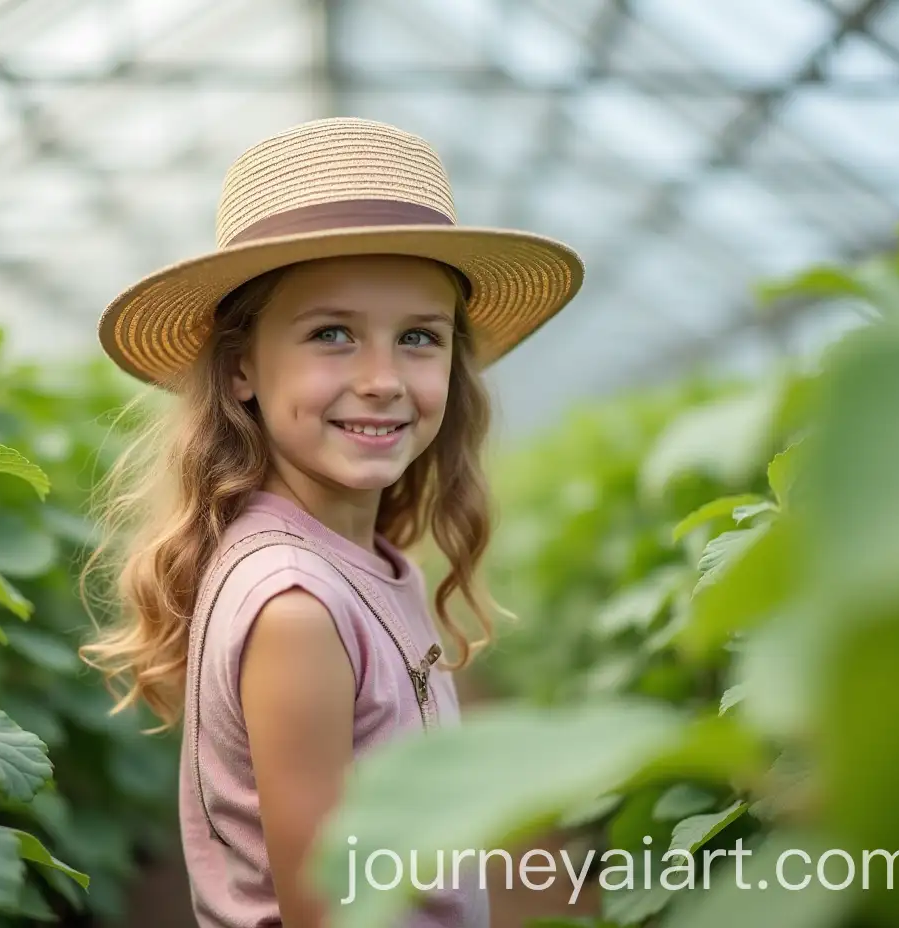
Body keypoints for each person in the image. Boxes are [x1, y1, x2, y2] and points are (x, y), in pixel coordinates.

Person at [79, 116, 584, 927]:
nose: (383, 379)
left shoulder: (368, 564)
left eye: (419, 337)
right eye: (333, 334)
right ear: (241, 367)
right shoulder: (297, 610)